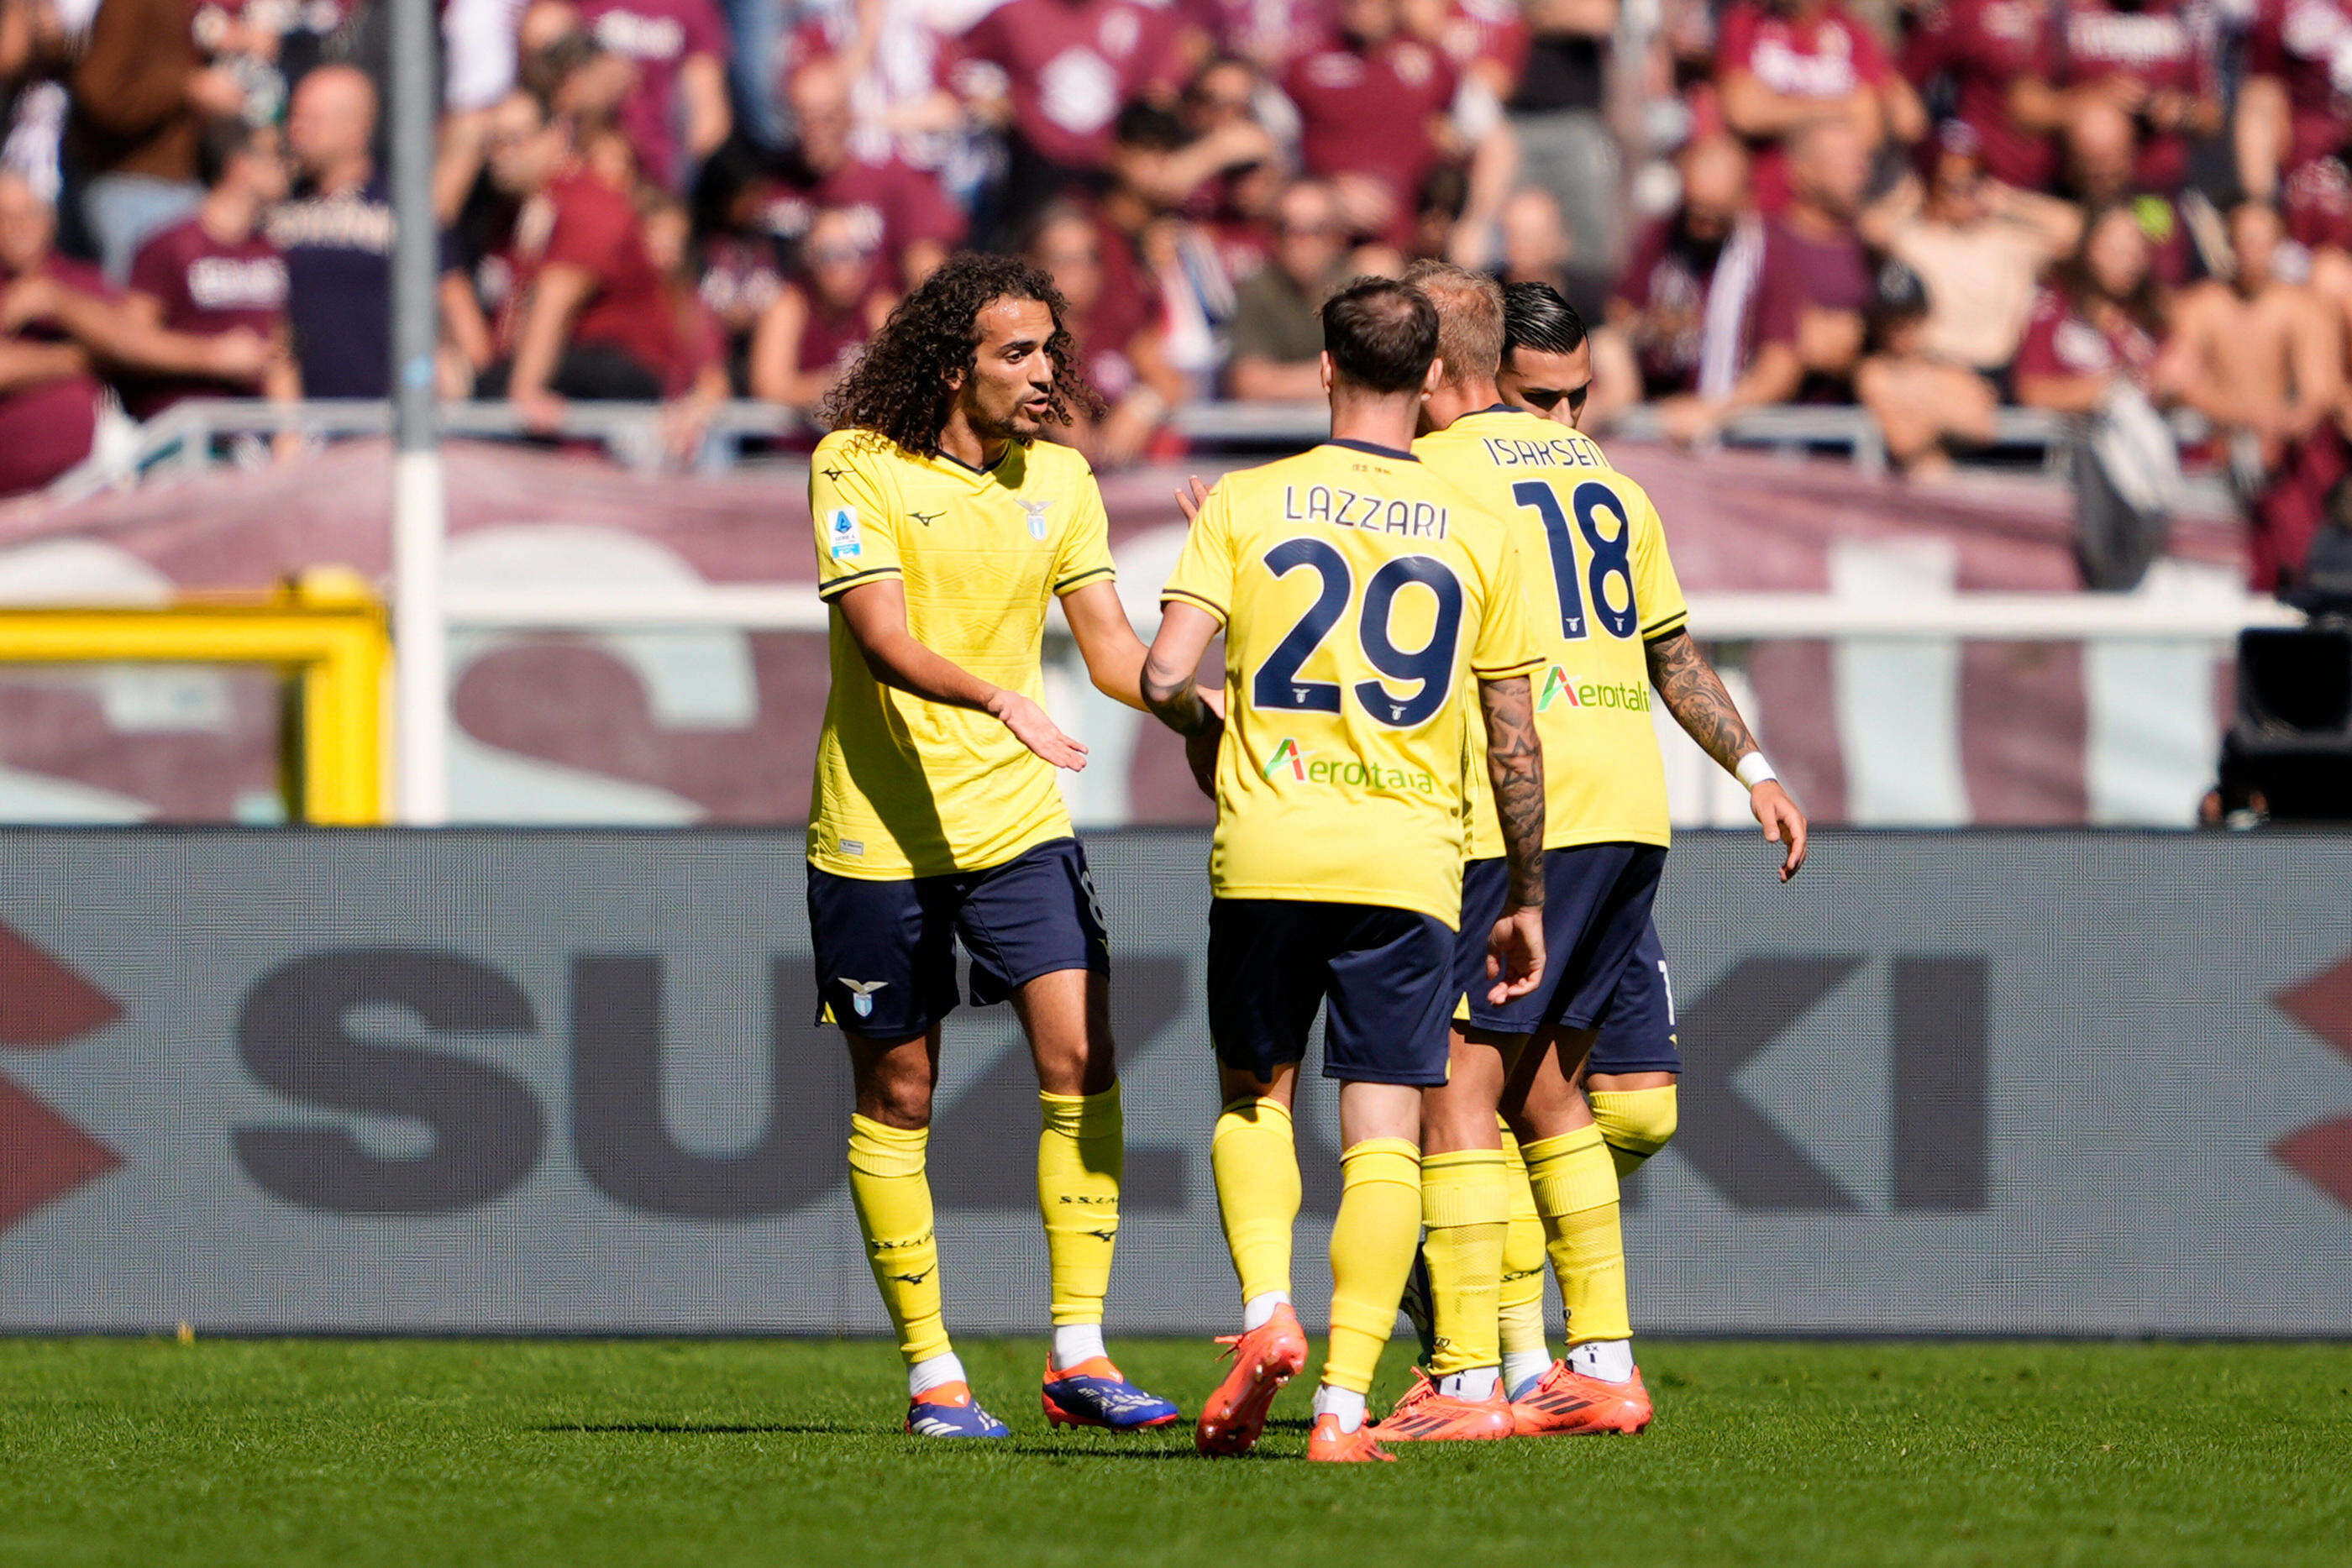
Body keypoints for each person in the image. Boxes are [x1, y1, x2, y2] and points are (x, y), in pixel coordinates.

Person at [1377, 264, 1806, 1442]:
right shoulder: (1607, 477)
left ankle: (1464, 1378)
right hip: (1633, 804)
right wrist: (1756, 768)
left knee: (1458, 1085)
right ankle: (1598, 1363)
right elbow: (1670, 648)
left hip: (1527, 805)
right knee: (1549, 1084)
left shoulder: (1437, 475)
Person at [1140, 275, 1549, 1463]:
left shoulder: (1246, 502)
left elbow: (1165, 674)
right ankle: (1341, 1404)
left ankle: (1267, 1306)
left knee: (1253, 1096)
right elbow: (1513, 734)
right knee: (1382, 1128)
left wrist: (1215, 722)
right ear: (1430, 383)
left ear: (1323, 365)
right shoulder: (1482, 532)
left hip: (1268, 849)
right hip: (1409, 861)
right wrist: (1523, 891)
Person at [805, 253, 1188, 1440]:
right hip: (878, 832)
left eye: (1050, 353)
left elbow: (1115, 649)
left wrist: (1193, 700)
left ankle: (1079, 1350)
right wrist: (1003, 698)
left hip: (1018, 825)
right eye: (1016, 352)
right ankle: (934, 1374)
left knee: (1083, 1053)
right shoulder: (856, 464)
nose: (1043, 373)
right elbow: (878, 635)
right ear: (951, 360)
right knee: (902, 1088)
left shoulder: (1062, 480)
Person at [2156, 202, 2347, 595]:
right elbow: (2177, 380)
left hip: (2282, 460)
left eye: (2262, 242)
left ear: (2280, 246)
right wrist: (2242, 417)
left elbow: (2319, 392)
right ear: (2228, 245)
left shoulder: (2303, 308)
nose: (2252, 252)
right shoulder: (2201, 305)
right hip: (2218, 452)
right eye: (2244, 241)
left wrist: (2278, 425)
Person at [120, 116, 299, 422]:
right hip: (183, 433)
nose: (290, 164)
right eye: (278, 154)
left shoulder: (271, 250)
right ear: (239, 164)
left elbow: (279, 352)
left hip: (253, 438)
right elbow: (129, 342)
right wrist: (212, 356)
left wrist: (289, 431)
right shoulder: (169, 245)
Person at [747, 203, 893, 414]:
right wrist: (835, 384)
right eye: (829, 255)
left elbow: (898, 380)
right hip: (800, 442)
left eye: (855, 253)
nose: (842, 268)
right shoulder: (790, 304)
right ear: (809, 258)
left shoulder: (879, 305)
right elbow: (768, 386)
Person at [1225, 179, 1352, 402]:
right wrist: (1342, 377)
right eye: (1287, 228)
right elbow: (1248, 384)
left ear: (1338, 237)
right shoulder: (1256, 289)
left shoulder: (1359, 293)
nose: (1299, 242)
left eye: (1315, 230)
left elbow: (1383, 379)